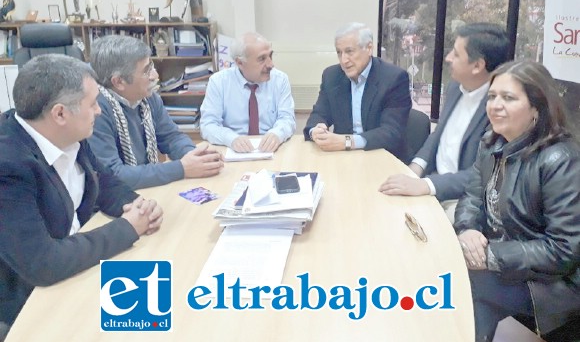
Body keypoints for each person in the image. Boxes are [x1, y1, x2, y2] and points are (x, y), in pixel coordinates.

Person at [0, 55, 164, 337]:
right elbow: (42, 263)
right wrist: (127, 227)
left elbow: (103, 180)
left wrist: (135, 204)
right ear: (60, 114)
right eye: (93, 104)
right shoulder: (8, 166)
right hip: (34, 301)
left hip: (78, 268)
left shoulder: (66, 134)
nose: (99, 112)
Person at [453, 61, 580, 342]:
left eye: (508, 98)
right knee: (448, 267)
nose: (495, 105)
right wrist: (468, 230)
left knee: (468, 283)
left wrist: (490, 257)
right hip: (510, 264)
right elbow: (472, 198)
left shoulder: (561, 160)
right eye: (492, 96)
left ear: (537, 108)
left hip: (551, 284)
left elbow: (562, 251)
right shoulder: (490, 143)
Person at [379, 23, 510, 222]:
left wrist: (426, 185)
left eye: (456, 54)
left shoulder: (500, 109)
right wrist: (414, 169)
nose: (448, 58)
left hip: (464, 199)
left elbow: (486, 175)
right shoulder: (456, 87)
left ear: (478, 66)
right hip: (432, 179)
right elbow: (438, 135)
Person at [88, 35, 223, 190]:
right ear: (119, 82)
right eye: (146, 71)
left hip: (147, 190)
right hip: (115, 199)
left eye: (151, 66)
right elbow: (114, 174)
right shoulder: (95, 111)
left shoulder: (148, 98)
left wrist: (196, 156)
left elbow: (171, 137)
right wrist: (182, 168)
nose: (155, 76)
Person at [303, 22, 411, 160]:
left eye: (349, 51)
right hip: (344, 157)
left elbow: (392, 132)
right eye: (339, 52)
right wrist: (316, 131)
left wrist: (347, 142)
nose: (344, 60)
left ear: (369, 48)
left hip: (382, 156)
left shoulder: (394, 78)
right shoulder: (331, 76)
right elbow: (319, 114)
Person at [200, 32, 296, 153]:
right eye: (262, 59)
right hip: (232, 150)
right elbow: (208, 125)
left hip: (270, 150)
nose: (271, 64)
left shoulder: (280, 79)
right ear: (240, 63)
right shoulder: (219, 82)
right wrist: (231, 139)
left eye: (270, 56)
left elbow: (287, 119)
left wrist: (276, 134)